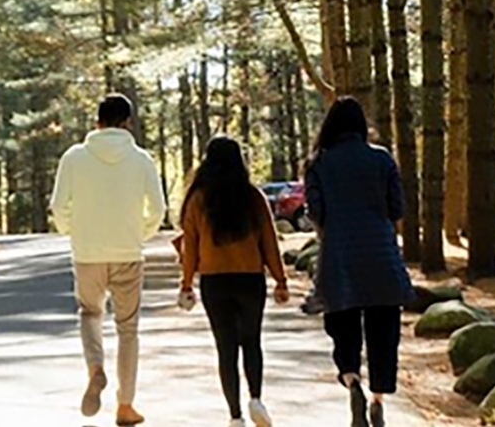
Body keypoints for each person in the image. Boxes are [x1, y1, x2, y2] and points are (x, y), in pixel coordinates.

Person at [50, 94, 167, 426]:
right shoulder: (142, 160)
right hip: (128, 252)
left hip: (87, 253)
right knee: (128, 329)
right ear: (127, 122)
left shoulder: (74, 158)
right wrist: (138, 234)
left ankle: (95, 367)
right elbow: (157, 210)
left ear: (97, 121)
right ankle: (125, 406)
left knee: (90, 312)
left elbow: (59, 206)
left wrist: (74, 231)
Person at [304, 97, 414, 427]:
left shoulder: (318, 163)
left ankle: (352, 381)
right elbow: (397, 208)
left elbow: (316, 213)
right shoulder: (382, 159)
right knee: (384, 328)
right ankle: (379, 398)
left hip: (339, 257)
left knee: (342, 326)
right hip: (381, 255)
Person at [177, 135, 291, 427]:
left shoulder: (197, 199)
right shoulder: (253, 196)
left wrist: (187, 283)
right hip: (250, 278)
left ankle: (235, 416)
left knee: (225, 348)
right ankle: (256, 399)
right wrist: (280, 279)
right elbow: (269, 241)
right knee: (251, 341)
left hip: (215, 282)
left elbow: (190, 245)